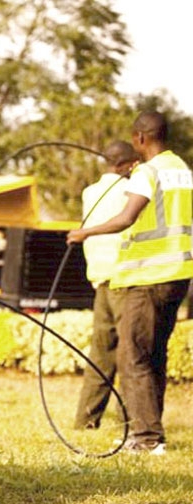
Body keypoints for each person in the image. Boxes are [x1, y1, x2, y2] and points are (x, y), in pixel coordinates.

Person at [67, 111, 193, 455]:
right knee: (154, 356)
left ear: (140, 138)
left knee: (131, 356)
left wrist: (84, 232)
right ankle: (151, 432)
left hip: (147, 278)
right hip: (177, 276)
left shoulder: (147, 173)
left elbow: (126, 217)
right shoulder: (182, 170)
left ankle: (147, 437)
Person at [73, 140, 140, 430]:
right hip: (125, 278)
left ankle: (86, 419)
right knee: (131, 353)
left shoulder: (90, 192)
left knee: (100, 354)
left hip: (99, 278)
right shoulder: (131, 190)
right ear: (125, 164)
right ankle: (133, 422)